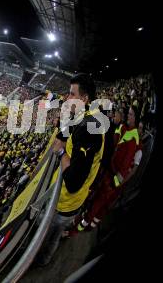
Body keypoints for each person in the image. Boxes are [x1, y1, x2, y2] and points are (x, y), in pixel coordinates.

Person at [36, 73, 105, 266]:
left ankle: (39, 262)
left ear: (84, 98)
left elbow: (74, 182)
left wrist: (59, 154)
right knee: (54, 235)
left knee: (45, 235)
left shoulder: (89, 126)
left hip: (66, 201)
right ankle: (43, 259)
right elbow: (65, 135)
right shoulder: (91, 115)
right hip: (71, 201)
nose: (67, 98)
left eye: (71, 94)